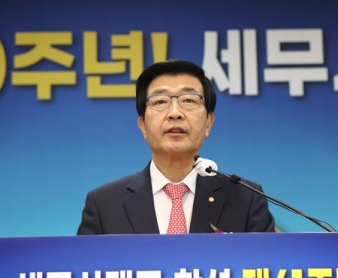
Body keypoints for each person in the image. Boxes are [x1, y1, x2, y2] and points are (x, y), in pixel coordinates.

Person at [77, 59, 275, 235]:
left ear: (208, 123)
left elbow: (267, 264)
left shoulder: (246, 199)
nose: (175, 113)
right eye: (160, 101)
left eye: (189, 100)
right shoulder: (104, 204)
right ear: (143, 125)